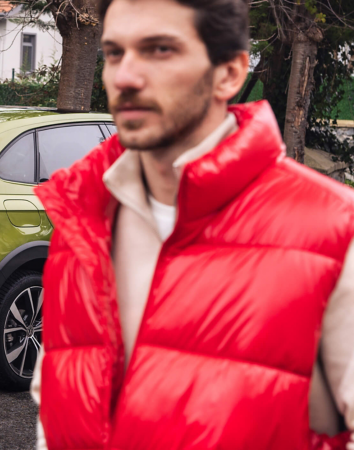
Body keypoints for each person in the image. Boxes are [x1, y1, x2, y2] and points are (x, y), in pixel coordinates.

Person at [30, 0, 354, 448]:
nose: (124, 76)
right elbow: (57, 404)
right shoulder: (81, 219)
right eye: (115, 53)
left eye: (159, 49)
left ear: (230, 73)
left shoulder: (336, 230)